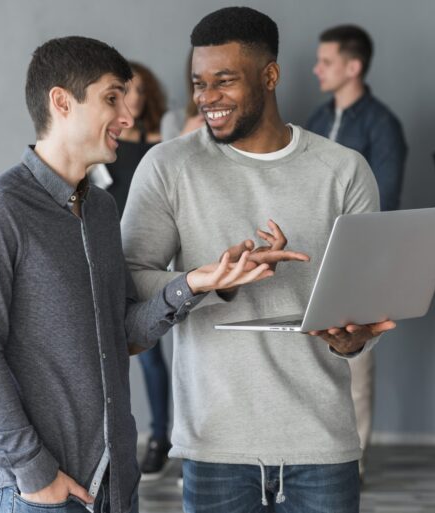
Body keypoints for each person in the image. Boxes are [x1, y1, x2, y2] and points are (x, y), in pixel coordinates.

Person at [0, 35, 295, 513]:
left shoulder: (100, 210)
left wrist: (197, 282)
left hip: (113, 487)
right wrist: (34, 473)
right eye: (112, 98)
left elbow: (123, 332)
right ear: (61, 102)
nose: (128, 117)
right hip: (36, 494)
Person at [121, 7, 396, 512]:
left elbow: (361, 306)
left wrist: (353, 340)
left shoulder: (344, 171)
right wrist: (212, 282)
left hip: (322, 443)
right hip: (215, 446)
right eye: (199, 83)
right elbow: (131, 285)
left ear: (269, 76)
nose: (207, 98)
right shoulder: (167, 167)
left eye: (224, 81)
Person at [306, 24, 407, 478]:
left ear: (353, 66)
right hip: (311, 259)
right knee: (311, 356)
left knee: (356, 363)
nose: (316, 69)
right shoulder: (317, 118)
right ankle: (314, 452)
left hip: (361, 262)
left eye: (325, 62)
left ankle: (352, 461)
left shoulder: (383, 125)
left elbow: (385, 201)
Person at [99, 61, 174, 479]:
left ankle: (165, 436)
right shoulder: (107, 142)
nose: (137, 98)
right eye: (128, 90)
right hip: (117, 247)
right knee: (138, 353)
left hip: (159, 251)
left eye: (143, 90)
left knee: (166, 354)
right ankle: (143, 439)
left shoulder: (165, 144)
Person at [160, 52, 205, 141]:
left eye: (223, 81)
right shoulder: (173, 119)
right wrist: (185, 136)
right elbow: (166, 154)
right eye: (200, 83)